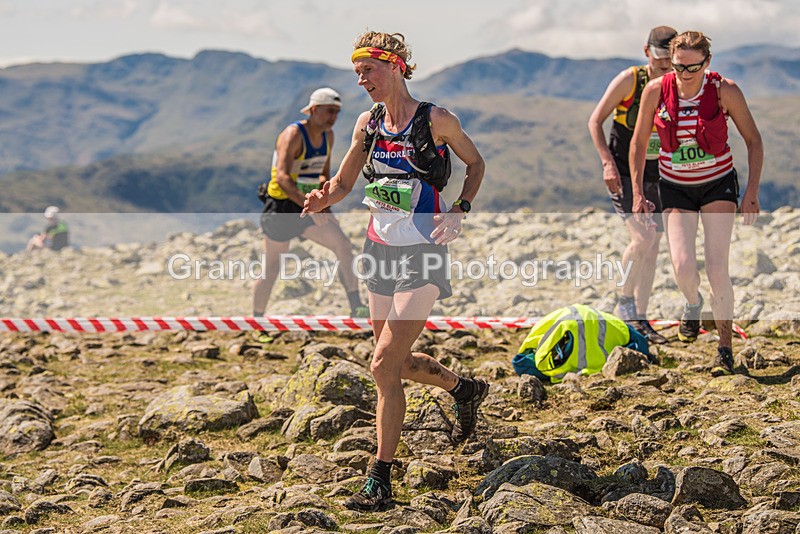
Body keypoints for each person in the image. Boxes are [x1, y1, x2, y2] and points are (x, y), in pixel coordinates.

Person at [303, 31, 488, 511]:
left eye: (369, 70)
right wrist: (324, 196)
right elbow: (345, 181)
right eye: (357, 71)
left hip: (424, 252)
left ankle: (380, 478)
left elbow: (475, 163)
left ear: (397, 67)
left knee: (382, 364)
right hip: (379, 249)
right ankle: (464, 389)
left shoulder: (438, 119)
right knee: (396, 365)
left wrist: (460, 209)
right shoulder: (369, 123)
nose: (361, 80)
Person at [630, 31, 763, 376]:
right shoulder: (656, 91)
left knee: (717, 267)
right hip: (675, 188)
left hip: (718, 185)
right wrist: (637, 193)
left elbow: (753, 140)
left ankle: (724, 348)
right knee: (684, 267)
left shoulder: (724, 91)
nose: (685, 74)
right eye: (678, 67)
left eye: (693, 67)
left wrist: (751, 192)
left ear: (707, 62)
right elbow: (639, 143)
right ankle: (693, 303)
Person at [253, 87, 368, 343]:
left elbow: (324, 175)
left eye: (337, 113)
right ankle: (257, 321)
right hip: (283, 206)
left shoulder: (328, 136)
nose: (333, 118)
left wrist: (324, 204)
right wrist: (308, 205)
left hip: (309, 205)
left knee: (342, 245)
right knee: (272, 267)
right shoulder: (293, 134)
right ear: (314, 110)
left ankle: (356, 305)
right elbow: (281, 177)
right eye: (329, 112)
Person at [588, 26, 678, 345]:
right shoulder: (631, 79)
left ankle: (641, 317)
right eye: (661, 59)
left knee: (652, 248)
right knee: (642, 237)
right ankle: (624, 302)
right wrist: (607, 162)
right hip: (624, 172)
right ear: (646, 52)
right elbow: (595, 120)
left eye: (673, 61)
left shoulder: (677, 83)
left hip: (659, 172)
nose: (666, 66)